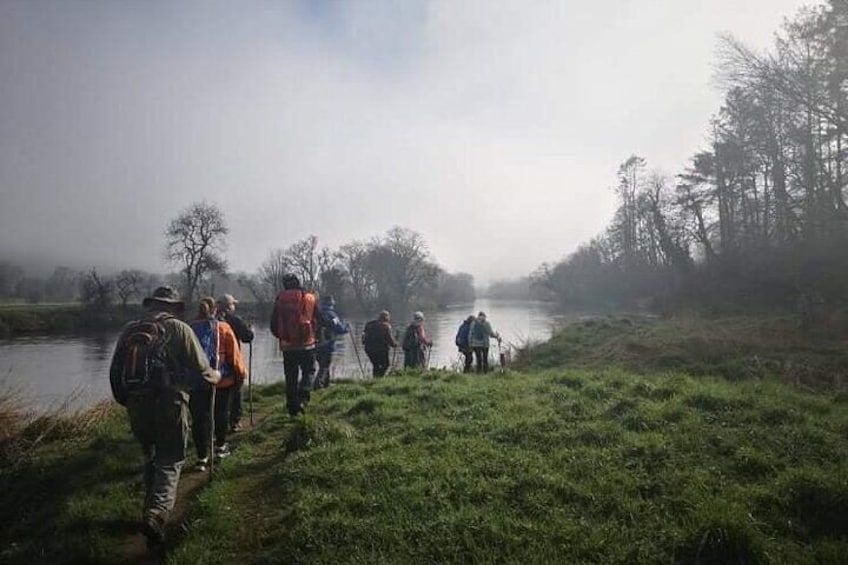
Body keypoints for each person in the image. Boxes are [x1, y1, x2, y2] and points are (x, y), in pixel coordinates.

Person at [109, 286, 220, 548]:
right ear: (173, 307)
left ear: (151, 305)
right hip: (170, 403)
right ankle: (157, 515)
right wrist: (216, 376)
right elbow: (202, 369)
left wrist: (127, 401)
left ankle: (149, 510)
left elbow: (115, 372)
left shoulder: (130, 330)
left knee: (151, 456)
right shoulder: (180, 329)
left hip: (137, 404)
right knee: (170, 459)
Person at [189, 297, 247, 471]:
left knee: (199, 419)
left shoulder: (189, 329)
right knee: (220, 414)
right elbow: (234, 357)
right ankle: (220, 448)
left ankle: (201, 458)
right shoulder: (223, 327)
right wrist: (241, 375)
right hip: (221, 380)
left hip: (197, 382)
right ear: (215, 310)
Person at [270, 274, 327, 417]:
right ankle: (303, 397)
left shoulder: (280, 299)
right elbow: (320, 319)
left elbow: (273, 324)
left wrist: (283, 336)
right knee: (309, 371)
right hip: (307, 344)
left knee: (291, 377)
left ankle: (292, 409)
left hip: (287, 346)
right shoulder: (309, 298)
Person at [216, 293, 254, 432]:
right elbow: (247, 337)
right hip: (232, 360)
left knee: (218, 395)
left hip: (215, 363)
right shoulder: (234, 320)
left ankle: (216, 423)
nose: (234, 307)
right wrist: (250, 330)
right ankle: (235, 421)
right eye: (233, 304)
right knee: (236, 390)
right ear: (229, 306)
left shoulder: (211, 319)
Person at [314, 294, 349, 389]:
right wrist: (347, 328)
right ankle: (318, 384)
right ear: (331, 303)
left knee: (323, 365)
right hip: (327, 345)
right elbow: (340, 329)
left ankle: (326, 384)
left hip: (315, 345)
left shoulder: (316, 313)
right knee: (325, 366)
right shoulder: (332, 314)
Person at [362, 310, 397, 377]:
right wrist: (395, 344)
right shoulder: (386, 326)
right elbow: (390, 340)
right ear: (386, 318)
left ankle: (375, 378)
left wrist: (365, 343)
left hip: (369, 350)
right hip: (381, 350)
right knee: (386, 365)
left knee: (376, 365)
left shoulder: (369, 324)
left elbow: (363, 337)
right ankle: (380, 377)